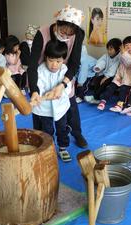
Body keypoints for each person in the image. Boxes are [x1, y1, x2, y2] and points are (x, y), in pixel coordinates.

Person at [28, 4, 88, 148]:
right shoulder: (42, 33)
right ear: (57, 23)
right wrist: (35, 90)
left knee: (70, 106)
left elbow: (74, 63)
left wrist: (63, 84)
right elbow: (33, 66)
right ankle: (41, 140)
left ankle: (76, 133)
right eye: (63, 31)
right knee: (40, 111)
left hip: (63, 73)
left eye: (69, 34)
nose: (65, 36)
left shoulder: (78, 34)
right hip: (43, 74)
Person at [31, 40, 72, 162]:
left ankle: (63, 148)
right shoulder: (40, 70)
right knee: (46, 131)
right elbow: (37, 86)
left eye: (58, 61)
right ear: (45, 58)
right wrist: (38, 94)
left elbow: (68, 87)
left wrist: (60, 91)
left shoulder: (65, 70)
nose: (54, 65)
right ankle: (48, 148)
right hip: (44, 109)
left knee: (62, 128)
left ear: (63, 60)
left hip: (61, 107)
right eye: (51, 60)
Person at [97, 36, 131, 111]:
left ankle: (119, 105)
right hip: (121, 77)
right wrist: (117, 78)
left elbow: (129, 63)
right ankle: (103, 101)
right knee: (111, 86)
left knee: (123, 90)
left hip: (130, 80)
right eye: (126, 45)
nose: (128, 47)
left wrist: (124, 53)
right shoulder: (123, 55)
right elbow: (120, 68)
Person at [84, 38, 122, 104]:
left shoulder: (119, 58)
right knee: (97, 79)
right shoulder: (106, 56)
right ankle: (96, 98)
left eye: (111, 49)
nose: (109, 51)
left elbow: (114, 69)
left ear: (117, 49)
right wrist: (98, 68)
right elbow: (102, 61)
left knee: (104, 82)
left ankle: (95, 97)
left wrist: (105, 77)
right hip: (106, 74)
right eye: (108, 49)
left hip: (114, 76)